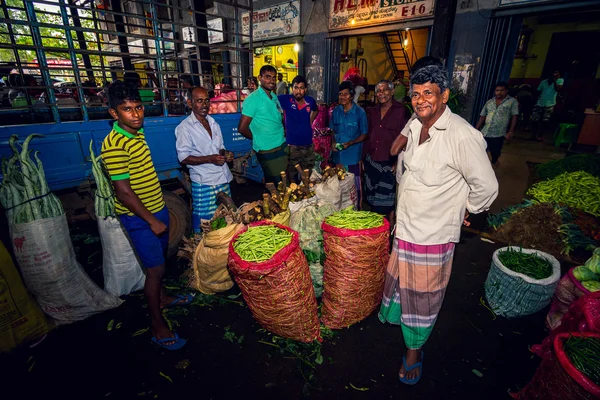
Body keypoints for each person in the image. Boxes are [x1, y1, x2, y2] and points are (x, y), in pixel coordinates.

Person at [379, 64, 498, 385]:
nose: (420, 100)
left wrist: (466, 209)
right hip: (406, 227)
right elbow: (406, 173)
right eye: (415, 95)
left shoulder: (462, 135)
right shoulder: (415, 125)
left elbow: (486, 187)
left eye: (428, 93)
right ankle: (402, 326)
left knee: (423, 295)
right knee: (403, 284)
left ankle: (414, 351)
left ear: (444, 96)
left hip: (432, 235)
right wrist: (396, 210)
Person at [102, 80, 191, 351]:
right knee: (155, 270)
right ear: (114, 114)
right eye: (127, 109)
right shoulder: (113, 144)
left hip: (157, 209)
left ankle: (162, 298)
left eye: (138, 107)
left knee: (160, 260)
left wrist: (159, 214)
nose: (136, 114)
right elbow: (124, 193)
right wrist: (151, 220)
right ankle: (156, 323)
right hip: (140, 218)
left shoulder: (136, 133)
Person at [175, 87, 233, 232]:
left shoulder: (213, 123)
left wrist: (226, 154)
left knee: (227, 220)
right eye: (199, 101)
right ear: (190, 103)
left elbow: (220, 147)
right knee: (205, 225)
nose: (204, 104)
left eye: (206, 100)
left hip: (222, 178)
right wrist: (210, 159)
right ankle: (201, 252)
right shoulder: (185, 128)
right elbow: (183, 158)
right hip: (204, 182)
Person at [363, 80, 409, 221]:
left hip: (389, 163)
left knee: (386, 202)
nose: (381, 93)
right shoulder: (373, 111)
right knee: (372, 198)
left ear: (392, 91)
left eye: (385, 90)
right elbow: (369, 135)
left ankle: (385, 231)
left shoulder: (401, 111)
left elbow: (407, 137)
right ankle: (376, 229)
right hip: (372, 160)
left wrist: (397, 161)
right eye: (379, 91)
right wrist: (363, 158)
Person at [238, 65, 287, 183]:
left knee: (283, 180)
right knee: (277, 184)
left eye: (274, 78)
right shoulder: (253, 99)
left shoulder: (273, 96)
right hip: (267, 148)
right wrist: (257, 138)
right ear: (259, 78)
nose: (271, 81)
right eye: (268, 77)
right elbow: (242, 128)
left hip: (281, 144)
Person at [330, 80, 368, 208]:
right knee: (339, 187)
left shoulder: (359, 112)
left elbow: (364, 134)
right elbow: (332, 130)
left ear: (351, 95)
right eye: (340, 94)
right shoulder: (336, 111)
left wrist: (351, 143)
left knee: (354, 188)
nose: (343, 97)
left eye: (346, 94)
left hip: (352, 158)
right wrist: (333, 142)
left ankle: (356, 210)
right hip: (338, 158)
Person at [278, 75, 318, 182]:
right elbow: (271, 98)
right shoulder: (285, 100)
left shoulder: (310, 101)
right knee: (293, 179)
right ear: (292, 88)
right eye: (296, 87)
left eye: (301, 88)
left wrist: (310, 120)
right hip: (292, 146)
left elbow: (316, 110)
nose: (298, 91)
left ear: (305, 89)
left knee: (308, 178)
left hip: (308, 146)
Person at [475, 81, 519, 167]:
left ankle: (495, 161)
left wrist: (511, 131)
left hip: (498, 133)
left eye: (501, 90)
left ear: (506, 91)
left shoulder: (512, 102)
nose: (499, 92)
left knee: (495, 152)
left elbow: (514, 116)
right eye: (497, 90)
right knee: (481, 149)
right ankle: (484, 166)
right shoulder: (490, 102)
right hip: (485, 131)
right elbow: (482, 116)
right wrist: (476, 129)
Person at [531, 70, 563, 141]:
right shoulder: (543, 82)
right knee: (534, 119)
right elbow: (538, 91)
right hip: (540, 103)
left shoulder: (560, 81)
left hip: (550, 104)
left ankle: (540, 135)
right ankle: (533, 135)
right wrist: (535, 101)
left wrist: (554, 80)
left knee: (545, 121)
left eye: (556, 74)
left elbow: (557, 89)